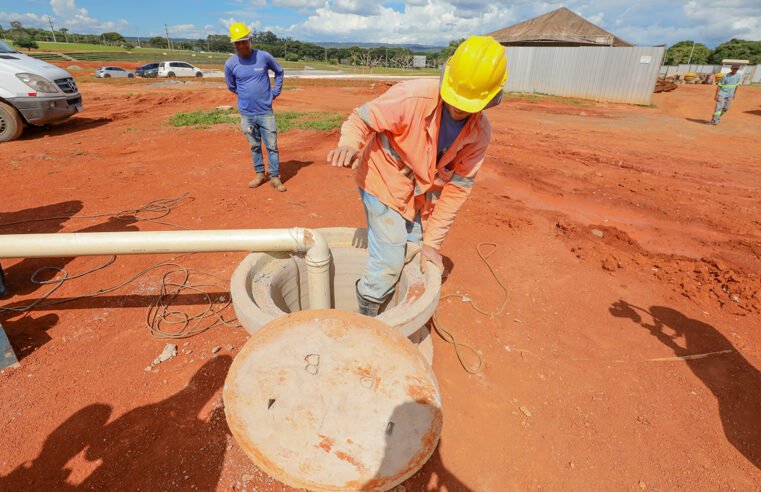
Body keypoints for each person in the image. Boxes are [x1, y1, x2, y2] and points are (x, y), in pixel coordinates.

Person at [327, 36, 507, 316]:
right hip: (382, 176)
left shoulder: (479, 134)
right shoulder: (412, 96)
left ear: (492, 99)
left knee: (415, 249)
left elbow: (456, 190)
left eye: (470, 104)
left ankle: (397, 310)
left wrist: (432, 244)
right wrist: (349, 143)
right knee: (389, 258)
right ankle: (366, 317)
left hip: (419, 194)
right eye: (457, 98)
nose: (459, 107)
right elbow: (361, 119)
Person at [224, 22, 287, 191]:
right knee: (254, 146)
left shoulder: (264, 57)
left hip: (266, 112)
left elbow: (279, 72)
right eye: (237, 42)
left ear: (250, 40)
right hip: (247, 114)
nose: (241, 45)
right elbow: (231, 86)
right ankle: (259, 174)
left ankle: (274, 176)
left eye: (244, 41)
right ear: (234, 44)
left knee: (272, 146)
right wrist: (246, 97)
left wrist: (275, 92)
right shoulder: (230, 64)